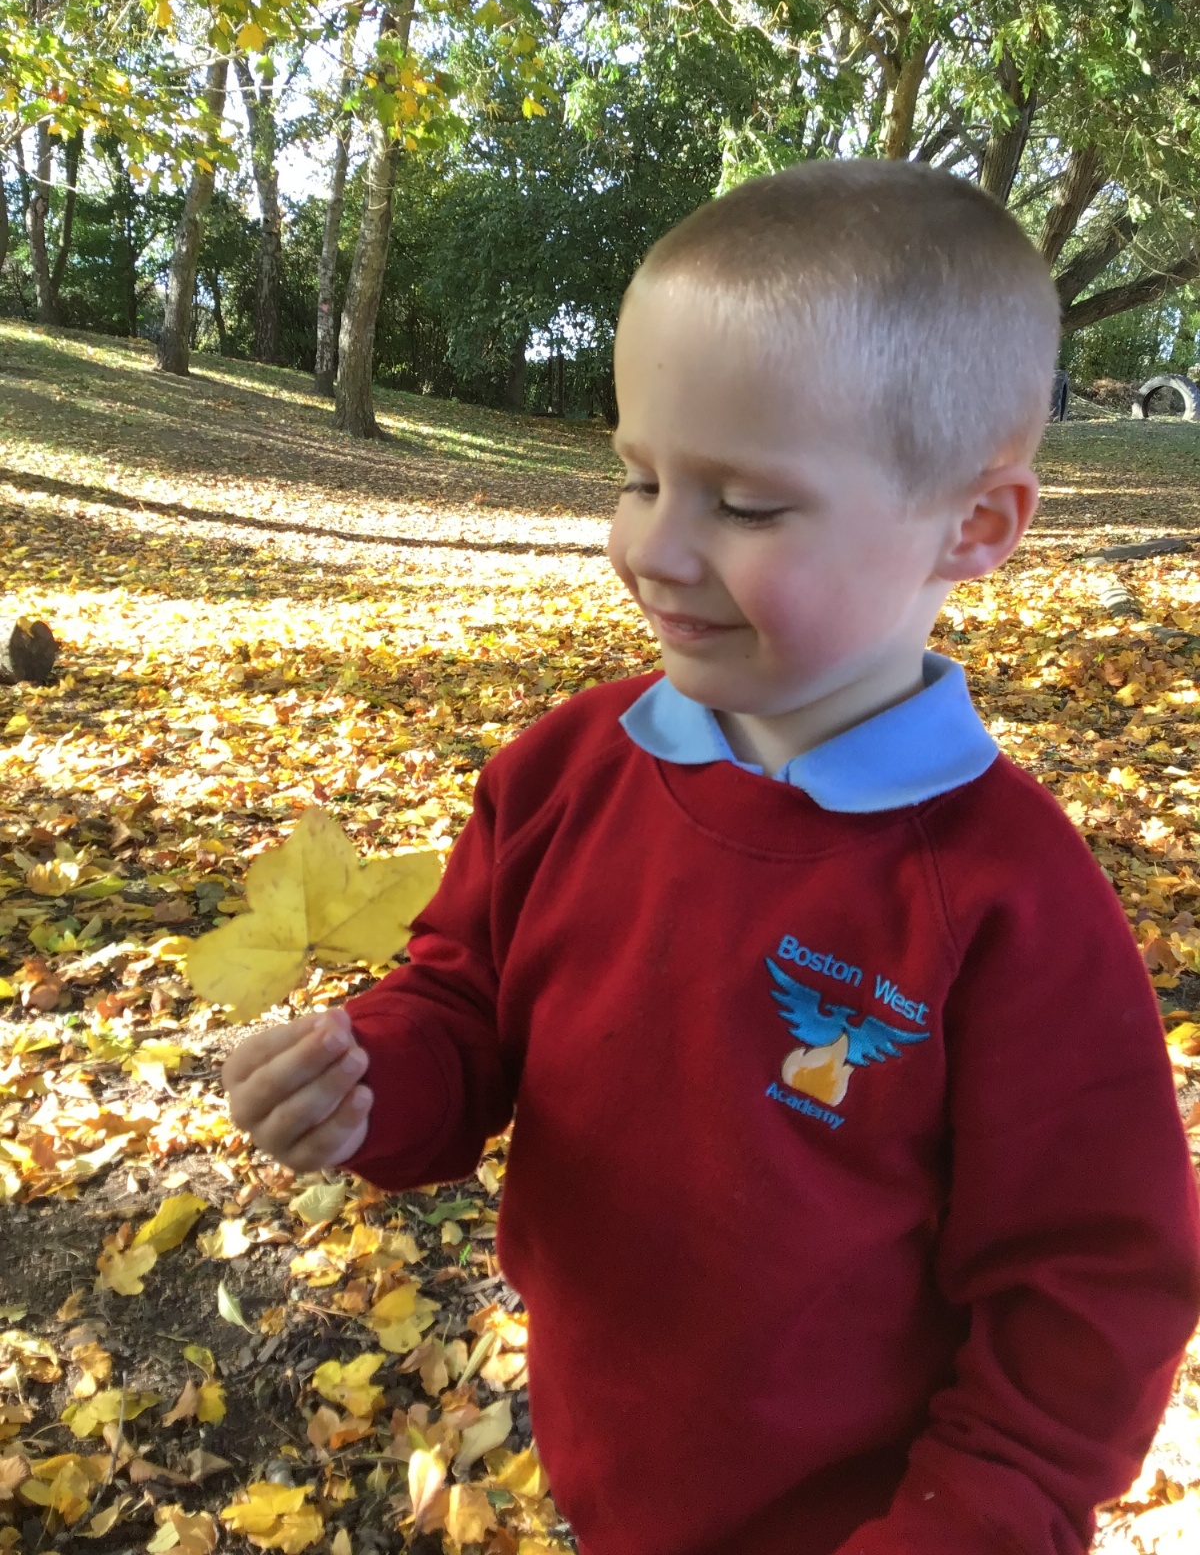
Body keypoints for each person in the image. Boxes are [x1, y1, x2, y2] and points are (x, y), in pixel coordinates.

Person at [222, 161, 1200, 1555]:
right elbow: (464, 999)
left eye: (743, 505)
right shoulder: (567, 773)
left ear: (974, 525)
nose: (654, 550)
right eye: (638, 477)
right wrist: (368, 1082)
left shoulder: (1008, 904)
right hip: (608, 1469)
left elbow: (1089, 1293)